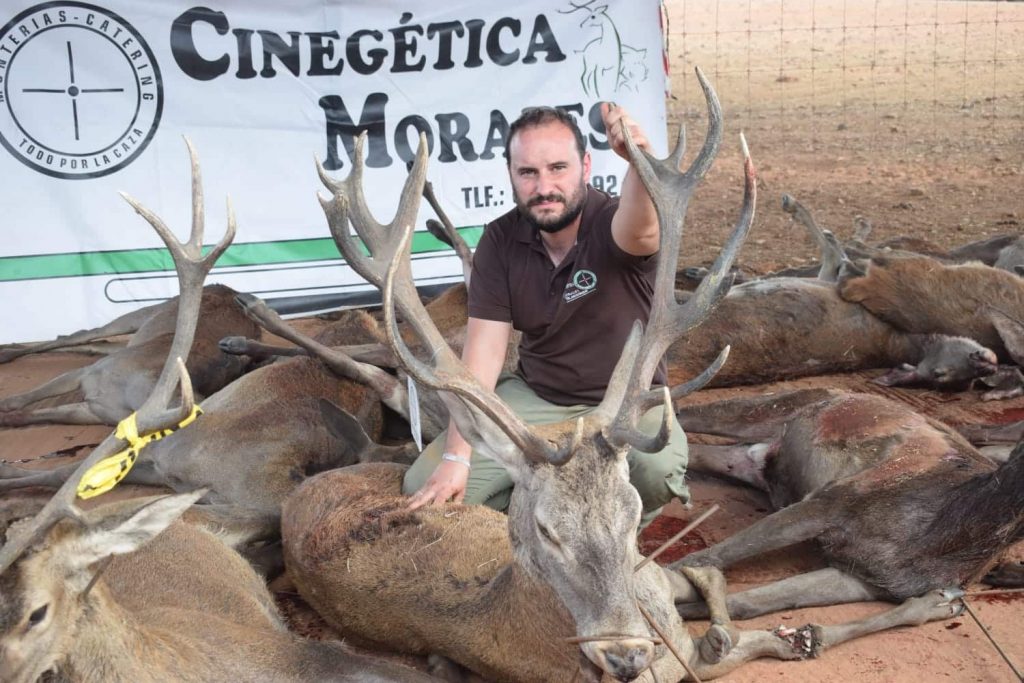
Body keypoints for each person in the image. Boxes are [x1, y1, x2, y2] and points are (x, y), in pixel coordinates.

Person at [403, 102, 688, 526]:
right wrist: (456, 457)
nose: (544, 187)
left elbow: (642, 229)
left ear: (585, 166)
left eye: (558, 168)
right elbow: (482, 358)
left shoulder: (613, 222)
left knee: (656, 472)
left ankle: (607, 523)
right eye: (528, 172)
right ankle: (546, 519)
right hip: (538, 400)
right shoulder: (501, 241)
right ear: (510, 174)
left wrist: (638, 163)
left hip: (627, 403)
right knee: (431, 490)